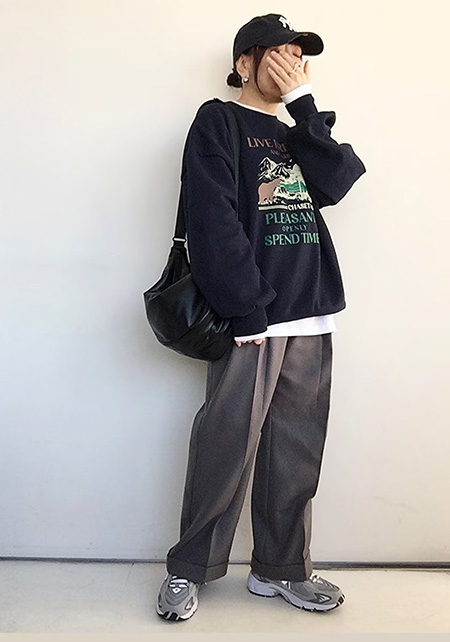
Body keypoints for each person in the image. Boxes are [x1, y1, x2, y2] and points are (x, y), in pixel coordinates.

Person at [156, 13, 366, 622]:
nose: (290, 61)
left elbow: (339, 180)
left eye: (298, 54)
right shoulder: (218, 121)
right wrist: (245, 308)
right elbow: (212, 219)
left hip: (311, 312)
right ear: (244, 62)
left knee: (296, 451)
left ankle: (281, 569)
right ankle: (189, 566)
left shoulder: (302, 130)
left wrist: (304, 105)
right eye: (277, 51)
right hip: (251, 316)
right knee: (225, 444)